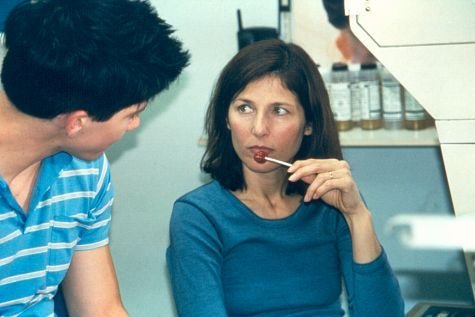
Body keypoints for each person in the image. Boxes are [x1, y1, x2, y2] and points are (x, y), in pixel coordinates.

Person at [167, 39, 403, 316]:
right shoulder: (198, 215)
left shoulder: (332, 201)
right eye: (244, 108)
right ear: (226, 118)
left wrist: (357, 216)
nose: (258, 129)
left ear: (309, 125)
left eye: (279, 111)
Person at [0, 0, 189, 315]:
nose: (135, 125)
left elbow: (99, 308)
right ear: (77, 122)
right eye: (132, 114)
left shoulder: (86, 170)